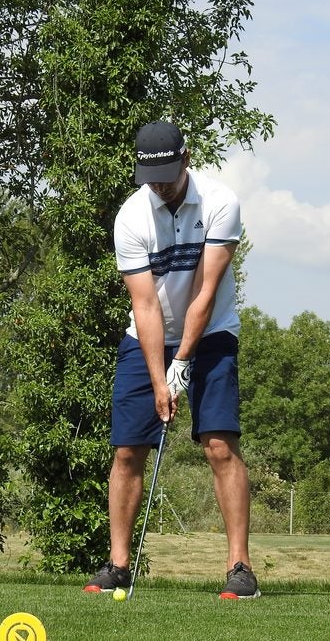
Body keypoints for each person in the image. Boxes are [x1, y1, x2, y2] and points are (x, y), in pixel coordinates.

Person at [83, 120, 260, 600]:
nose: (158, 185)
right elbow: (144, 305)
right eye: (150, 176)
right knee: (127, 450)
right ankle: (119, 565)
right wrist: (162, 378)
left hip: (214, 331)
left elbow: (205, 291)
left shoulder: (222, 203)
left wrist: (184, 359)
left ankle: (240, 569)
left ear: (186, 159)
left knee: (219, 445)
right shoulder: (131, 218)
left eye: (165, 173)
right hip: (147, 336)